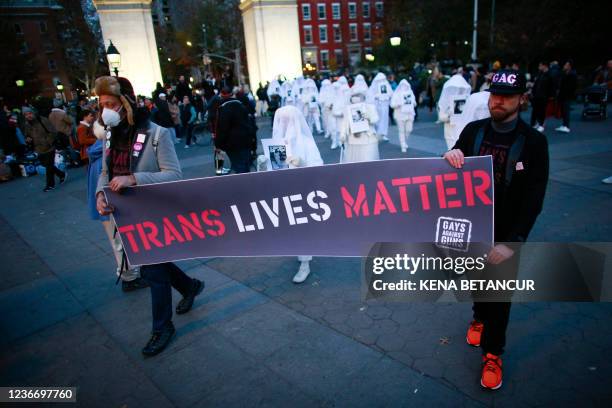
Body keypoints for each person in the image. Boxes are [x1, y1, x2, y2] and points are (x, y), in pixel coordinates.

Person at [443, 69, 549, 390]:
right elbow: (451, 167)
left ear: (521, 99)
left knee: (500, 296)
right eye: (494, 94)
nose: (497, 101)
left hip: (506, 232)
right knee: (478, 283)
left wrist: (515, 241)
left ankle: (493, 353)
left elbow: (534, 197)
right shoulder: (474, 131)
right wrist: (451, 155)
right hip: (475, 227)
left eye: (506, 96)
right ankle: (478, 317)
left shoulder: (533, 142)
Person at [94, 75, 203, 356]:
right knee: (156, 264)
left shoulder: (157, 134)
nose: (103, 109)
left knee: (152, 270)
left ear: (125, 103)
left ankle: (162, 327)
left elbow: (174, 175)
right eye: (100, 103)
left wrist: (135, 178)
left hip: (153, 213)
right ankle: (190, 286)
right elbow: (105, 172)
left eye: (109, 103)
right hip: (126, 213)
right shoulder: (109, 135)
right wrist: (100, 195)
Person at [270, 105, 323, 282]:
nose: (284, 124)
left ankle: (304, 263)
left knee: (301, 227)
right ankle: (302, 254)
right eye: (281, 121)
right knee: (292, 227)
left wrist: (302, 162)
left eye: (287, 121)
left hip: (303, 190)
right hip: (284, 190)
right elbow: (274, 169)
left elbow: (318, 167)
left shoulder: (306, 142)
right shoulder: (277, 143)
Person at [23, 106, 65, 192]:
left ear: (33, 113)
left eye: (30, 113)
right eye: (26, 115)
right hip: (38, 148)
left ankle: (50, 184)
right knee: (47, 165)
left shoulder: (43, 120)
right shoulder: (27, 124)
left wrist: (48, 142)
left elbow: (53, 132)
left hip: (49, 147)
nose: (29, 116)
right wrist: (28, 139)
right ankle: (61, 174)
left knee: (49, 166)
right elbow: (27, 135)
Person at [214, 86, 254, 173]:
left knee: (239, 166)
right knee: (245, 165)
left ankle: (219, 169)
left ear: (221, 96)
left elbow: (222, 129)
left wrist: (218, 144)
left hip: (232, 143)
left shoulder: (223, 108)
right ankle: (248, 183)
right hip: (245, 140)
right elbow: (249, 122)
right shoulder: (241, 105)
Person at [339, 79, 379, 163]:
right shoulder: (348, 109)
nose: (356, 98)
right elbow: (345, 123)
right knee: (356, 162)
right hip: (354, 139)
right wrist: (342, 134)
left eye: (359, 95)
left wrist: (369, 117)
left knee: (368, 160)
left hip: (368, 138)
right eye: (354, 96)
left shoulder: (370, 107)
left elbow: (375, 119)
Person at [438, 72, 472, 149]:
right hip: (450, 131)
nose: (458, 90)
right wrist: (450, 116)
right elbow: (441, 117)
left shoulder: (469, 100)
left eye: (460, 88)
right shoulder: (445, 101)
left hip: (463, 130)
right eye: (455, 88)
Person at [390, 79, 416, 153]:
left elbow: (414, 102)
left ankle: (404, 141)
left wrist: (413, 103)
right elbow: (392, 105)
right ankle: (403, 144)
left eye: (406, 86)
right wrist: (398, 104)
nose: (404, 87)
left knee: (409, 129)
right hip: (400, 115)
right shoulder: (396, 94)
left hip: (409, 114)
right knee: (401, 130)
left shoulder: (410, 93)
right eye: (403, 86)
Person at [367, 73, 393, 142]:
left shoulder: (387, 85)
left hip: (385, 106)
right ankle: (376, 133)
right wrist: (376, 96)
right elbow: (370, 96)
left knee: (384, 120)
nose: (382, 81)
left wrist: (387, 96)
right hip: (377, 105)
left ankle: (383, 134)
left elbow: (390, 93)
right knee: (376, 120)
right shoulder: (374, 86)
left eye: (383, 80)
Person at [530, 62, 553, 132]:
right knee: (536, 110)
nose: (539, 67)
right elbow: (536, 84)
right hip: (537, 95)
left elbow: (551, 86)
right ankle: (537, 123)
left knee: (542, 110)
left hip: (544, 96)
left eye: (540, 65)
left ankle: (541, 124)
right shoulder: (540, 74)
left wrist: (550, 95)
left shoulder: (549, 75)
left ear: (544, 66)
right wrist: (533, 92)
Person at [555, 60, 577, 133]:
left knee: (566, 110)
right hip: (563, 94)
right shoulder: (565, 73)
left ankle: (566, 126)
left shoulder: (572, 74)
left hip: (567, 95)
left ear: (569, 66)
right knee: (563, 110)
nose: (564, 66)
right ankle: (564, 124)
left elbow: (571, 86)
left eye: (566, 65)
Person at [331, 76, 351, 150]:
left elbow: (346, 104)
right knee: (334, 129)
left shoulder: (344, 94)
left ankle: (341, 142)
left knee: (341, 128)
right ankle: (334, 142)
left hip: (341, 115)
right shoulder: (333, 95)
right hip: (333, 115)